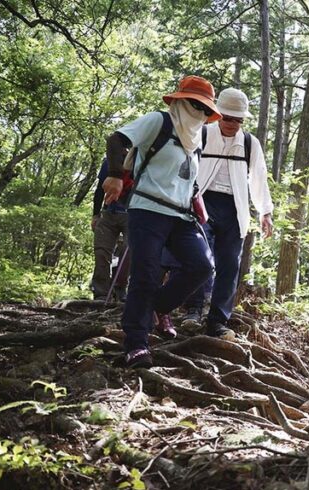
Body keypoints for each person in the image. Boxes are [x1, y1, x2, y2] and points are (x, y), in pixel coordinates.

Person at [101, 75, 221, 368]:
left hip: (181, 215)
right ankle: (136, 345)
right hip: (147, 209)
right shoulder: (158, 121)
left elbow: (185, 177)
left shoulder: (196, 139)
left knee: (202, 266)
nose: (201, 114)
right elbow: (116, 139)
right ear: (181, 102)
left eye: (206, 110)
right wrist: (115, 175)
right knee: (146, 274)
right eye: (196, 105)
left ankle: (156, 308)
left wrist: (195, 199)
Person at [171, 87, 274, 339]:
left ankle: (217, 320)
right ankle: (192, 311)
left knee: (230, 264)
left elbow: (259, 177)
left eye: (239, 119)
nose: (233, 124)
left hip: (235, 208)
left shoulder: (250, 143)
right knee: (200, 258)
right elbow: (181, 164)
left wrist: (265, 212)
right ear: (218, 115)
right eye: (228, 118)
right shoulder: (203, 134)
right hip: (201, 202)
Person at [89, 158, 129, 302]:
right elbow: (100, 188)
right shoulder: (109, 161)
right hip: (108, 212)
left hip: (132, 213)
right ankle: (101, 293)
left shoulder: (142, 158)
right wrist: (95, 214)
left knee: (127, 251)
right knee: (101, 252)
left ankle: (120, 289)